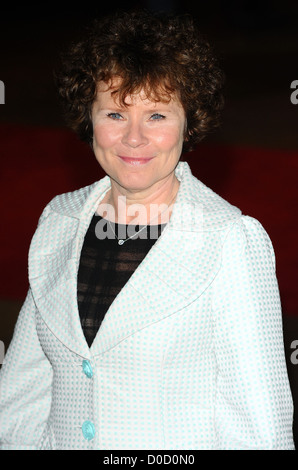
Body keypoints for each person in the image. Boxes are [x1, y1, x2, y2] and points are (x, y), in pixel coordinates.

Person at [0, 10, 294, 450]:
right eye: (115, 114)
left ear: (188, 122)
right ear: (89, 117)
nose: (133, 138)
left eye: (156, 115)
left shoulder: (231, 241)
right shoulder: (58, 222)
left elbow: (260, 427)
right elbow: (19, 398)